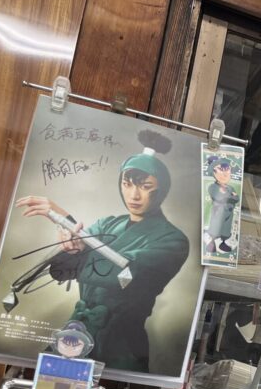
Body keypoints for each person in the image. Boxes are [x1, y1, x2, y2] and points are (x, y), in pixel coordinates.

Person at [17, 130, 189, 372]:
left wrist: (65, 220)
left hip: (121, 344)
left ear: (161, 190)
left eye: (145, 186)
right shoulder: (106, 224)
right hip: (75, 334)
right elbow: (63, 271)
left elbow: (128, 274)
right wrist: (72, 247)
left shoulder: (173, 240)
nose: (134, 195)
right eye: (127, 184)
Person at [204, 155, 239, 254]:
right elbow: (219, 197)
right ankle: (212, 243)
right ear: (214, 173)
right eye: (221, 170)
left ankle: (223, 243)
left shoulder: (230, 188)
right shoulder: (213, 187)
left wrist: (228, 196)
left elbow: (237, 198)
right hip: (218, 211)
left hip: (229, 212)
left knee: (226, 229)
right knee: (216, 228)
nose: (225, 174)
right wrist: (229, 196)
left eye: (227, 170)